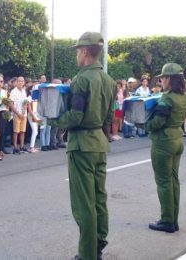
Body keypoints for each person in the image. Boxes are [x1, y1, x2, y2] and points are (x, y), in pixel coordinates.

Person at [48, 32, 116, 260]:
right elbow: (108, 118)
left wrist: (54, 120)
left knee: (83, 203)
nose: (77, 55)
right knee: (99, 198)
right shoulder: (109, 80)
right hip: (99, 143)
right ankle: (98, 245)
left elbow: (76, 115)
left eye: (78, 51)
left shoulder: (81, 79)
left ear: (85, 52)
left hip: (82, 145)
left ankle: (87, 254)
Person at [145, 63, 186, 233]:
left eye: (163, 78)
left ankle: (167, 221)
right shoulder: (185, 96)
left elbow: (157, 122)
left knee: (164, 182)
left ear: (170, 79)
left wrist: (143, 125)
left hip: (163, 142)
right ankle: (173, 219)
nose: (161, 81)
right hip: (177, 139)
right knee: (173, 181)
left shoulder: (166, 98)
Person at [10, 76, 29, 154]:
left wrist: (24, 111)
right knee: (16, 131)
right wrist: (18, 113)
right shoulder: (13, 91)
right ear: (16, 82)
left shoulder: (24, 91)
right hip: (16, 114)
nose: (21, 83)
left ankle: (22, 146)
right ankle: (15, 147)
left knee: (22, 131)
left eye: (22, 81)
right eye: (19, 81)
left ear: (24, 82)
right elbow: (11, 104)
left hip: (23, 114)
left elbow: (25, 102)